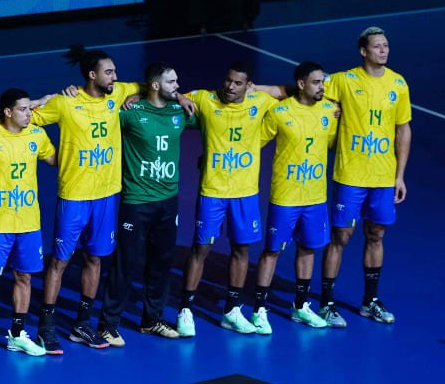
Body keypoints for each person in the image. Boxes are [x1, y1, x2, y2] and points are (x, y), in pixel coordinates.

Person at [29, 46, 143, 353]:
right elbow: (25, 118)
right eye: (109, 72)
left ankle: (81, 324)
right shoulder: (66, 103)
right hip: (75, 196)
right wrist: (43, 100)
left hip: (106, 196)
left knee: (95, 258)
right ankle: (46, 326)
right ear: (91, 75)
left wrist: (138, 96)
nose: (115, 77)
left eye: (115, 72)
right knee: (60, 262)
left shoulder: (118, 93)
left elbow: (149, 85)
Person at [318, 26, 412, 326]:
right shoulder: (344, 81)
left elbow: (403, 130)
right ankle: (327, 303)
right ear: (363, 51)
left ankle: (370, 301)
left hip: (383, 178)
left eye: (386, 45)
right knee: (341, 236)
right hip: (350, 175)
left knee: (376, 235)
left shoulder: (398, 83)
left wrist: (400, 176)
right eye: (377, 46)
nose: (384, 50)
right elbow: (316, 99)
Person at [177, 63, 278, 336]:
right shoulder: (206, 99)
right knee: (200, 249)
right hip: (213, 191)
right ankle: (186, 309)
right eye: (228, 81)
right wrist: (180, 97)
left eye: (237, 83)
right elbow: (172, 93)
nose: (230, 87)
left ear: (248, 86)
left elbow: (290, 93)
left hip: (245, 193)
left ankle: (232, 310)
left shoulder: (261, 101)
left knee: (241, 250)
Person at [99, 62, 188, 345]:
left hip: (168, 202)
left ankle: (152, 320)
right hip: (137, 202)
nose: (177, 86)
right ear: (154, 85)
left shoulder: (180, 112)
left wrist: (184, 98)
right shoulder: (130, 113)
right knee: (126, 263)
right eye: (172, 81)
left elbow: (213, 113)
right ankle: (107, 324)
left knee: (162, 262)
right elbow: (102, 113)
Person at [250, 61, 340, 335]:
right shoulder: (279, 112)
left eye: (322, 83)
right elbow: (255, 143)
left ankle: (301, 306)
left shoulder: (328, 111)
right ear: (300, 84)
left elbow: (334, 144)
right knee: (273, 251)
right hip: (286, 196)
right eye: (316, 83)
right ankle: (260, 309)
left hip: (315, 197)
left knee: (308, 248)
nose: (321, 88)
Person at [0, 87, 57, 361]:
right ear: (7, 111)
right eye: (22, 109)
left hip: (30, 222)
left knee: (25, 277)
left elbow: (56, 160)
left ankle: (17, 335)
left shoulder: (37, 135)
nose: (28, 114)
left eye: (29, 109)